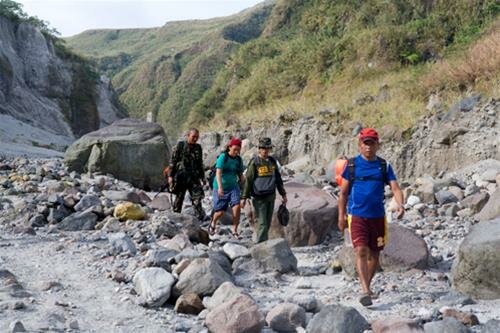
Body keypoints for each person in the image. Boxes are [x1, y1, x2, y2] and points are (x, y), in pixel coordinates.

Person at [337, 127, 404, 307]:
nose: (368, 147)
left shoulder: (384, 166)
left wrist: (400, 204)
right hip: (357, 215)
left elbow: (395, 188)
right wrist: (341, 216)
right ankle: (365, 290)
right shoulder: (351, 166)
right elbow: (343, 193)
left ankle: (368, 284)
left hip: (378, 217)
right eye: (365, 143)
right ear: (359, 145)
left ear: (377, 145)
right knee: (361, 251)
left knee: (375, 254)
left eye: (371, 143)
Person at [241, 137, 287, 243]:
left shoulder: (272, 161)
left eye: (267, 148)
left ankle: (264, 243)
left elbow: (278, 179)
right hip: (259, 198)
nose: (265, 150)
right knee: (262, 223)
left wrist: (283, 194)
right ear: (259, 149)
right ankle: (261, 245)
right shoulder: (254, 162)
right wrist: (244, 197)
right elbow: (249, 180)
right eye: (263, 148)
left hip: (271, 196)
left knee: (268, 222)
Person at [208, 137, 245, 238]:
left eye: (238, 150)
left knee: (237, 207)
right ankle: (213, 222)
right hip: (220, 186)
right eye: (234, 149)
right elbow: (218, 173)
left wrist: (245, 187)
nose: (236, 152)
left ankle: (235, 230)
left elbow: (240, 174)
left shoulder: (238, 159)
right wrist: (220, 188)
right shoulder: (223, 157)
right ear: (229, 147)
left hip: (233, 186)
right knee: (220, 212)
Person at [168, 128, 207, 221]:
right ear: (188, 136)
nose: (195, 139)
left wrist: (203, 177)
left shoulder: (198, 148)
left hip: (194, 177)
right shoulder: (180, 146)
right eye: (193, 137)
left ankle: (199, 218)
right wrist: (170, 176)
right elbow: (172, 162)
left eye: (197, 137)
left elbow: (199, 164)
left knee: (197, 198)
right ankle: (175, 217)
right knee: (179, 198)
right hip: (181, 177)